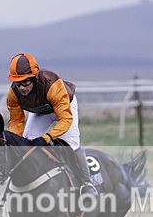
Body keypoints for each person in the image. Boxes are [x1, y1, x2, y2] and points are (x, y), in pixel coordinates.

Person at [6, 53, 97, 195]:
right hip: (40, 111)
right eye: (18, 83)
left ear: (34, 78)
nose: (22, 88)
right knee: (28, 143)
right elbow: (16, 121)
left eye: (25, 82)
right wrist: (16, 142)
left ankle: (87, 183)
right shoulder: (13, 94)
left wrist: (47, 137)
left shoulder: (51, 84)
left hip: (64, 108)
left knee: (71, 145)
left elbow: (66, 120)